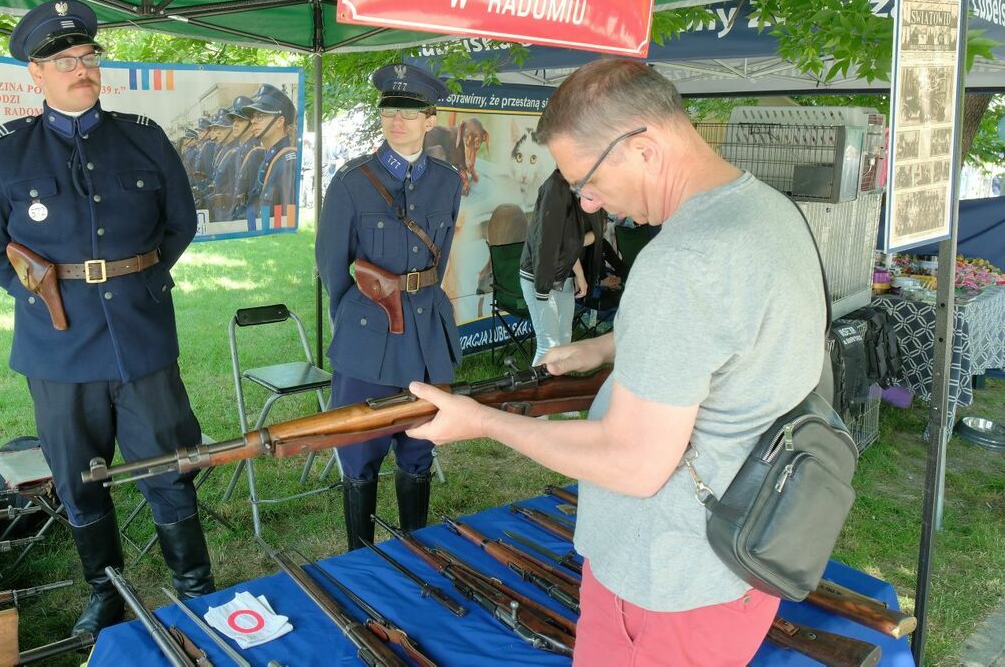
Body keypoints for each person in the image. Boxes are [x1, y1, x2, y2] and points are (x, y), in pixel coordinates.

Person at [406, 58, 825, 666]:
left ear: (645, 147)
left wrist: (485, 422)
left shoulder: (684, 259)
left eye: (588, 181)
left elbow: (634, 464)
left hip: (666, 583)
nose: (590, 201)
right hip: (741, 555)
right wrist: (607, 345)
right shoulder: (767, 211)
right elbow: (731, 336)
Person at [0, 0, 215, 638]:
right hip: (58, 344)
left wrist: (146, 281)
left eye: (88, 57)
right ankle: (106, 592)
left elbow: (179, 223)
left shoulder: (144, 135)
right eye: (65, 61)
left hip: (142, 335)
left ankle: (194, 585)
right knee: (79, 479)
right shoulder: (7, 153)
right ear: (36, 74)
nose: (82, 69)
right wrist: (43, 296)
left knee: (170, 464)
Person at [316, 63, 462, 551]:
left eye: (408, 112)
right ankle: (362, 558)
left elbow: (439, 256)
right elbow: (333, 267)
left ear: (429, 118)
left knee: (420, 445)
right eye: (388, 111)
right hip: (370, 334)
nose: (396, 120)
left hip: (425, 333)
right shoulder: (352, 182)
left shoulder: (448, 181)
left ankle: (414, 550)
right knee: (360, 450)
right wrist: (358, 326)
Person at [519, 169, 599, 363]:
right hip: (539, 276)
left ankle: (556, 388)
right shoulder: (555, 188)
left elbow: (569, 242)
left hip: (564, 276)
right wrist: (543, 290)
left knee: (564, 342)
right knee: (549, 345)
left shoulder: (579, 188)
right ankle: (535, 392)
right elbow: (549, 242)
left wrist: (579, 274)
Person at [242, 84, 298, 227]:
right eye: (253, 117)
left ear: (280, 121)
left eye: (260, 116)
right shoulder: (268, 159)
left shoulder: (287, 162)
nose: (253, 121)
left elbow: (286, 219)